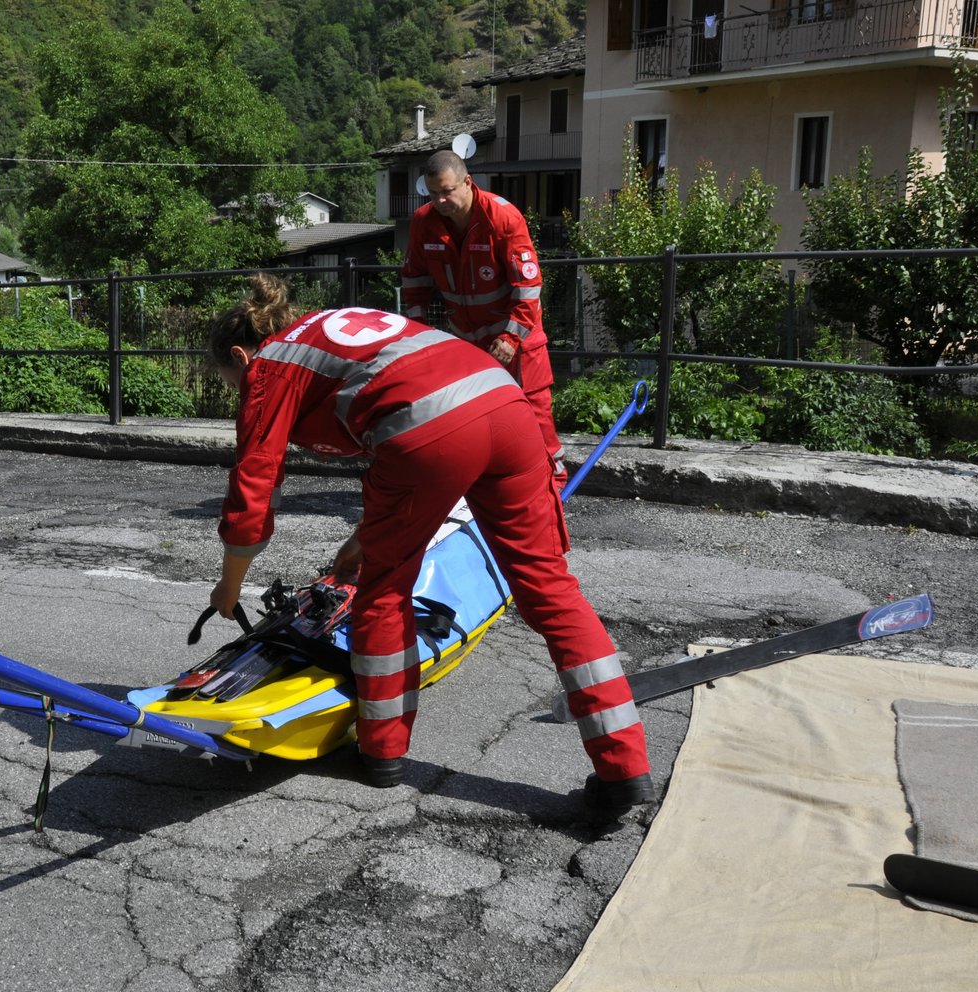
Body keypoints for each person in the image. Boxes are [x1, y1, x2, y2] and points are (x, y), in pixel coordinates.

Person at [206, 274, 653, 811]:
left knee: (383, 595)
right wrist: (363, 538)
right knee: (551, 590)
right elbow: (396, 406)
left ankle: (382, 753)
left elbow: (254, 493)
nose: (238, 393)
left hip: (426, 429)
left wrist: (228, 590)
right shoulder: (332, 330)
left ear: (240, 354)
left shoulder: (270, 365)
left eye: (230, 381)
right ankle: (625, 769)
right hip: (507, 407)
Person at [400, 150, 568, 488]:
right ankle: (489, 484)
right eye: (433, 194)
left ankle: (554, 481)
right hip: (468, 340)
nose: (440, 200)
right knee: (475, 413)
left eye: (446, 191)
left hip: (518, 339)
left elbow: (528, 284)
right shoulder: (423, 221)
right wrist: (417, 332)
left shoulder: (502, 217)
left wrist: (510, 338)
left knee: (533, 410)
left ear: (467, 182)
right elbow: (415, 280)